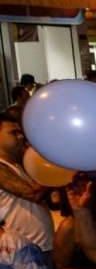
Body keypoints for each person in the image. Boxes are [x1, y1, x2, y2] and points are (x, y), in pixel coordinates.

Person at [0, 107, 53, 253]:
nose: (21, 137)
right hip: (22, 253)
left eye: (21, 132)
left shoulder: (17, 164)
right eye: (13, 133)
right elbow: (32, 194)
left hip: (36, 247)